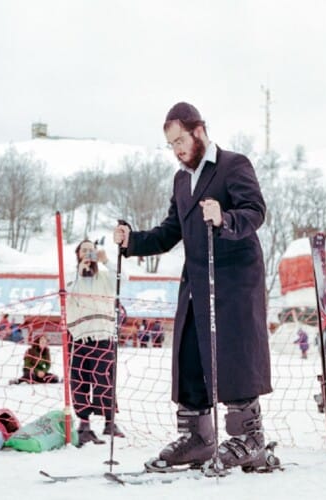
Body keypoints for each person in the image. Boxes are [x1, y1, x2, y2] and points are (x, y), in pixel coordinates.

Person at [113, 102, 271, 470]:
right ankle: (198, 438)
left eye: (180, 140)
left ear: (199, 131)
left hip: (233, 280)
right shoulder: (182, 180)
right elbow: (171, 231)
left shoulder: (234, 164)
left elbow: (256, 210)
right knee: (189, 356)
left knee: (234, 356)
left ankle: (249, 437)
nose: (177, 149)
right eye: (171, 144)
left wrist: (225, 217)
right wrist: (132, 241)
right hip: (196, 281)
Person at [67, 239, 125, 446]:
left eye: (92, 250)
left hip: (103, 335)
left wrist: (107, 261)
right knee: (80, 380)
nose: (88, 254)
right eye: (84, 250)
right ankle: (84, 423)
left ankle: (110, 421)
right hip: (81, 337)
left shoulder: (105, 277)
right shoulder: (70, 276)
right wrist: (78, 274)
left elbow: (124, 279)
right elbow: (65, 296)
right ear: (78, 254)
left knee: (104, 379)